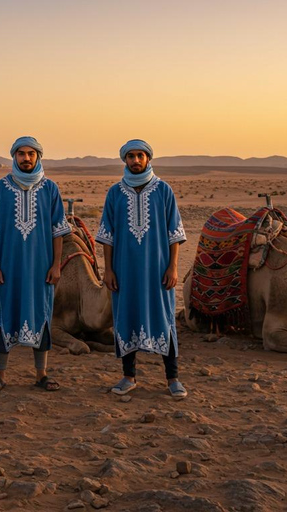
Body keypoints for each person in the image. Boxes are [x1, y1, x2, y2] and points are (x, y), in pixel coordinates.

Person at [95, 139, 188, 399]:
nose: (136, 161)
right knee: (127, 317)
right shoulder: (115, 193)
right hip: (125, 270)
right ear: (124, 160)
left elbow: (174, 234)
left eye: (140, 156)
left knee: (164, 318)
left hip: (158, 270)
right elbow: (107, 236)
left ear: (149, 159)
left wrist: (173, 267)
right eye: (131, 156)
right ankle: (128, 377)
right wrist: (109, 270)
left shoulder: (164, 191)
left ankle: (173, 379)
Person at [0, 136, 71, 392]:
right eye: (21, 153)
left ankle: (41, 374)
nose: (26, 158)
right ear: (14, 156)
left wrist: (56, 266)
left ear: (38, 157)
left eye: (31, 153)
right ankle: (0, 375)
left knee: (41, 314)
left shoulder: (50, 189)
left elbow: (57, 232)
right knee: (3, 315)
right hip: (7, 269)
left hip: (41, 269)